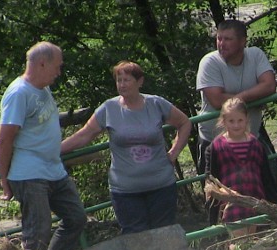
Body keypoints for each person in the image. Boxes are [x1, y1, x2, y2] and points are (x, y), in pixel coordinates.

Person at [61, 61, 191, 234]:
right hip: (125, 190)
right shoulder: (109, 108)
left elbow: (184, 123)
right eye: (118, 80)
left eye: (127, 80)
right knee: (135, 237)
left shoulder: (156, 104)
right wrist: (54, 150)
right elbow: (85, 135)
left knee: (164, 234)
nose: (122, 84)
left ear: (140, 82)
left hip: (161, 185)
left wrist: (174, 152)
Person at [0, 41, 87, 250]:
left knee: (76, 218)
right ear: (43, 64)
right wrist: (4, 179)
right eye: (58, 66)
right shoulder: (19, 94)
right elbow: (4, 139)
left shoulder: (43, 88)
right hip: (29, 173)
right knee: (38, 232)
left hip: (54, 169)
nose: (59, 72)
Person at [196, 19, 277, 225]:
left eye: (228, 39)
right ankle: (218, 239)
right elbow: (216, 100)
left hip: (250, 140)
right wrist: (251, 99)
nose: (221, 43)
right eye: (219, 38)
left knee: (258, 188)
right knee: (217, 196)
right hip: (214, 144)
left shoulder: (255, 55)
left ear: (243, 41)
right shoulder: (210, 62)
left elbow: (269, 86)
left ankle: (263, 230)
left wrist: (234, 99)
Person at [204, 97, 277, 238]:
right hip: (231, 207)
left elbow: (267, 179)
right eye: (231, 121)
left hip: (258, 203)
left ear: (246, 120)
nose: (236, 125)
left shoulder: (257, 145)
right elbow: (211, 182)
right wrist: (212, 218)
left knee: (260, 242)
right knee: (238, 244)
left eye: (240, 120)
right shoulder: (215, 147)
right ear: (223, 121)